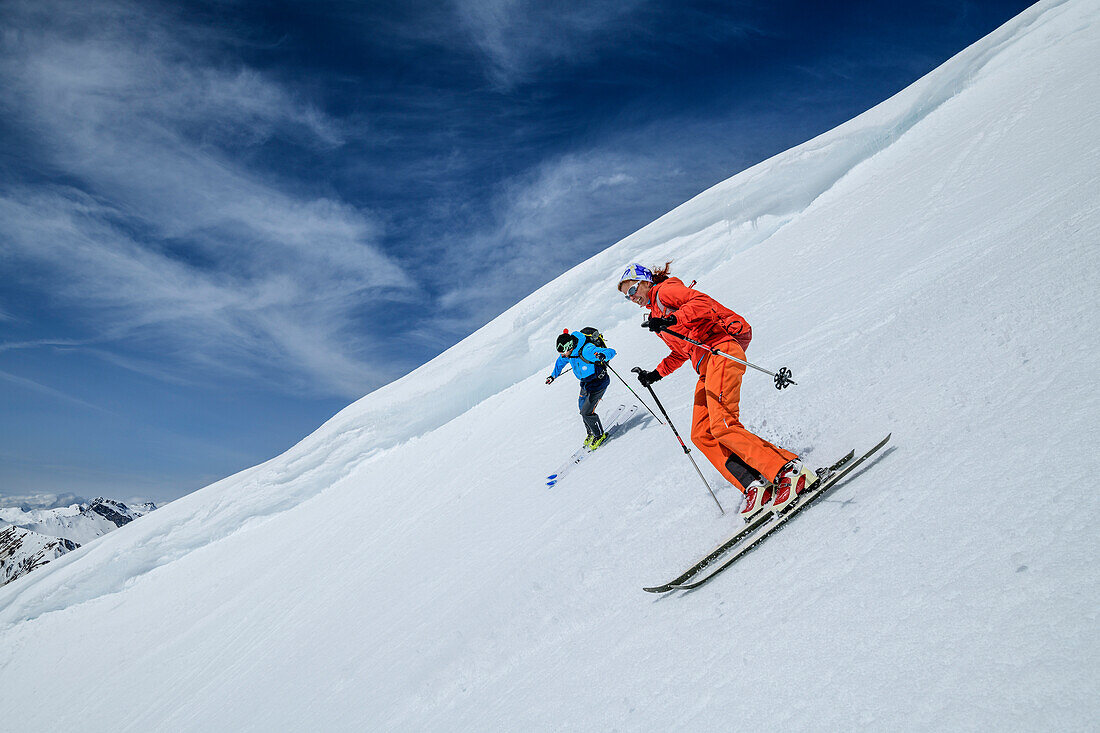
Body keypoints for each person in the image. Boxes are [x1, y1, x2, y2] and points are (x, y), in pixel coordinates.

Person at [617, 262, 817, 519]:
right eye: (626, 295)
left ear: (645, 281)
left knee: (723, 424)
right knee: (702, 433)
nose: (632, 297)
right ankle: (755, 484)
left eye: (633, 289)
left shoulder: (666, 291)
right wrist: (655, 374)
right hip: (705, 365)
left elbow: (701, 302)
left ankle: (787, 470)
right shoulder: (655, 314)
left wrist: (673, 318)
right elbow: (681, 352)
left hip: (720, 350)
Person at [546, 329, 617, 449]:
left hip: (598, 382)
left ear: (570, 347)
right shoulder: (568, 353)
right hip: (585, 383)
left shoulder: (587, 350)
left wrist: (603, 355)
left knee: (587, 412)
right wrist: (553, 376)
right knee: (582, 408)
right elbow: (560, 362)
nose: (562, 355)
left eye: (563, 352)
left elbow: (611, 352)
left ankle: (599, 435)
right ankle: (591, 433)